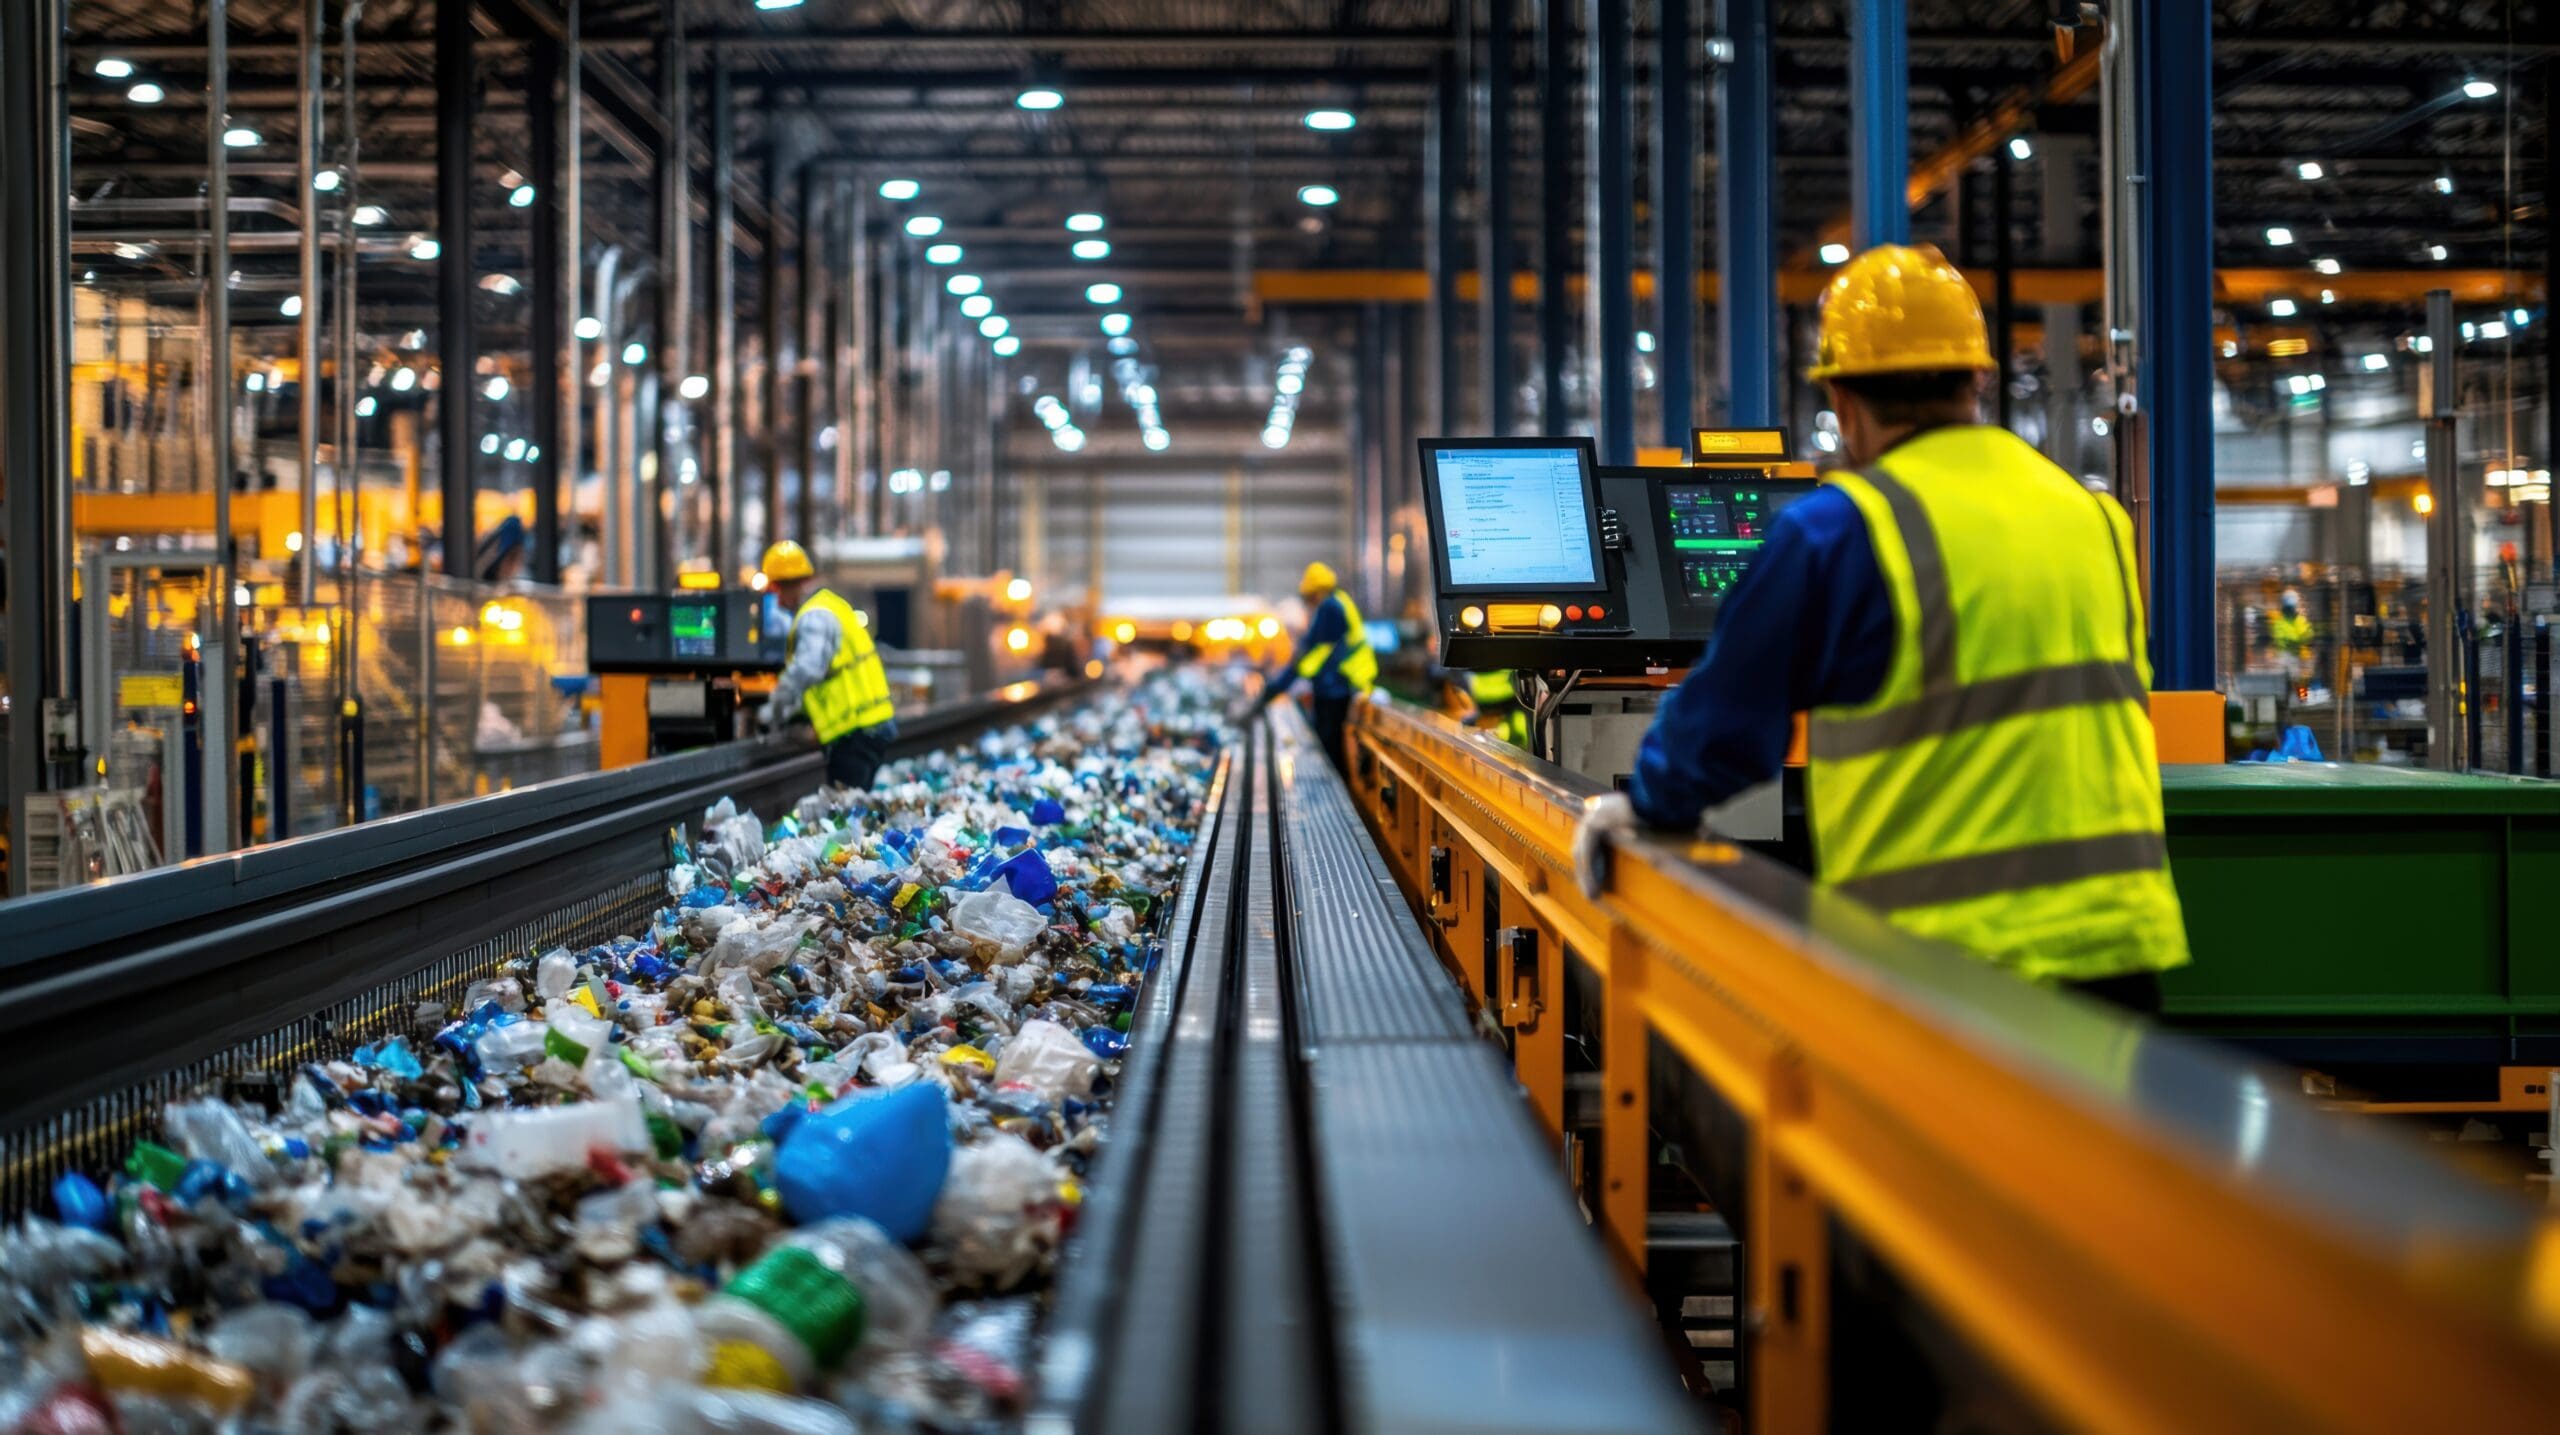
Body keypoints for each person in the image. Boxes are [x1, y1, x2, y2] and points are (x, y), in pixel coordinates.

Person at [1571, 243, 2190, 1012]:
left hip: (1944, 974)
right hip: (2118, 961)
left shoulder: (1839, 532)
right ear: (1978, 379)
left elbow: (1725, 731)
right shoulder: (2093, 517)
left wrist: (1639, 805)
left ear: (1844, 400)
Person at [759, 539, 899, 790]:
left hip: (855, 733)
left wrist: (774, 710)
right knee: (852, 807)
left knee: (845, 812)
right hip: (869, 726)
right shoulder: (830, 605)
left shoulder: (814, 616)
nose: (778, 603)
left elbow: (808, 668)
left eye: (776, 592)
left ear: (789, 585)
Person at [1254, 561, 1378, 776]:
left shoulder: (1330, 607)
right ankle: (1336, 782)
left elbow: (1311, 650)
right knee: (1331, 743)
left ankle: (1333, 786)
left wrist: (1276, 687)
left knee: (1328, 744)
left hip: (1336, 686)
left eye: (1310, 597)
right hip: (1341, 683)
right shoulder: (1340, 602)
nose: (1310, 603)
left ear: (1316, 592)